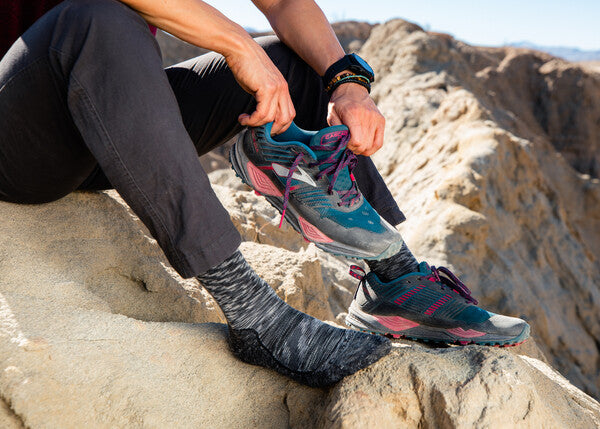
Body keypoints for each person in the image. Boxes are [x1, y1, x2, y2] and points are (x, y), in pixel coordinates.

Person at [0, 0, 529, 388]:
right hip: (18, 140)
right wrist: (236, 44)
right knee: (98, 17)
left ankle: (394, 283)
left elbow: (281, 2)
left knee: (296, 61)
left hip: (102, 122)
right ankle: (254, 315)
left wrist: (346, 83)